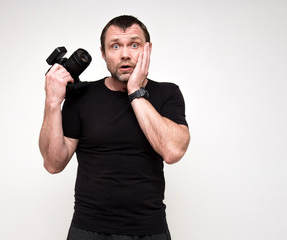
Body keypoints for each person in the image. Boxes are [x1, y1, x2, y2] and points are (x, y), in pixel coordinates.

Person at [39, 15, 190, 240]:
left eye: (134, 44)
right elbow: (53, 163)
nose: (125, 54)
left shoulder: (168, 93)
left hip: (149, 230)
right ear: (103, 53)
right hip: (88, 229)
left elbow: (172, 151)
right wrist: (52, 102)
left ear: (148, 49)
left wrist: (135, 91)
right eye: (115, 46)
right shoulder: (82, 97)